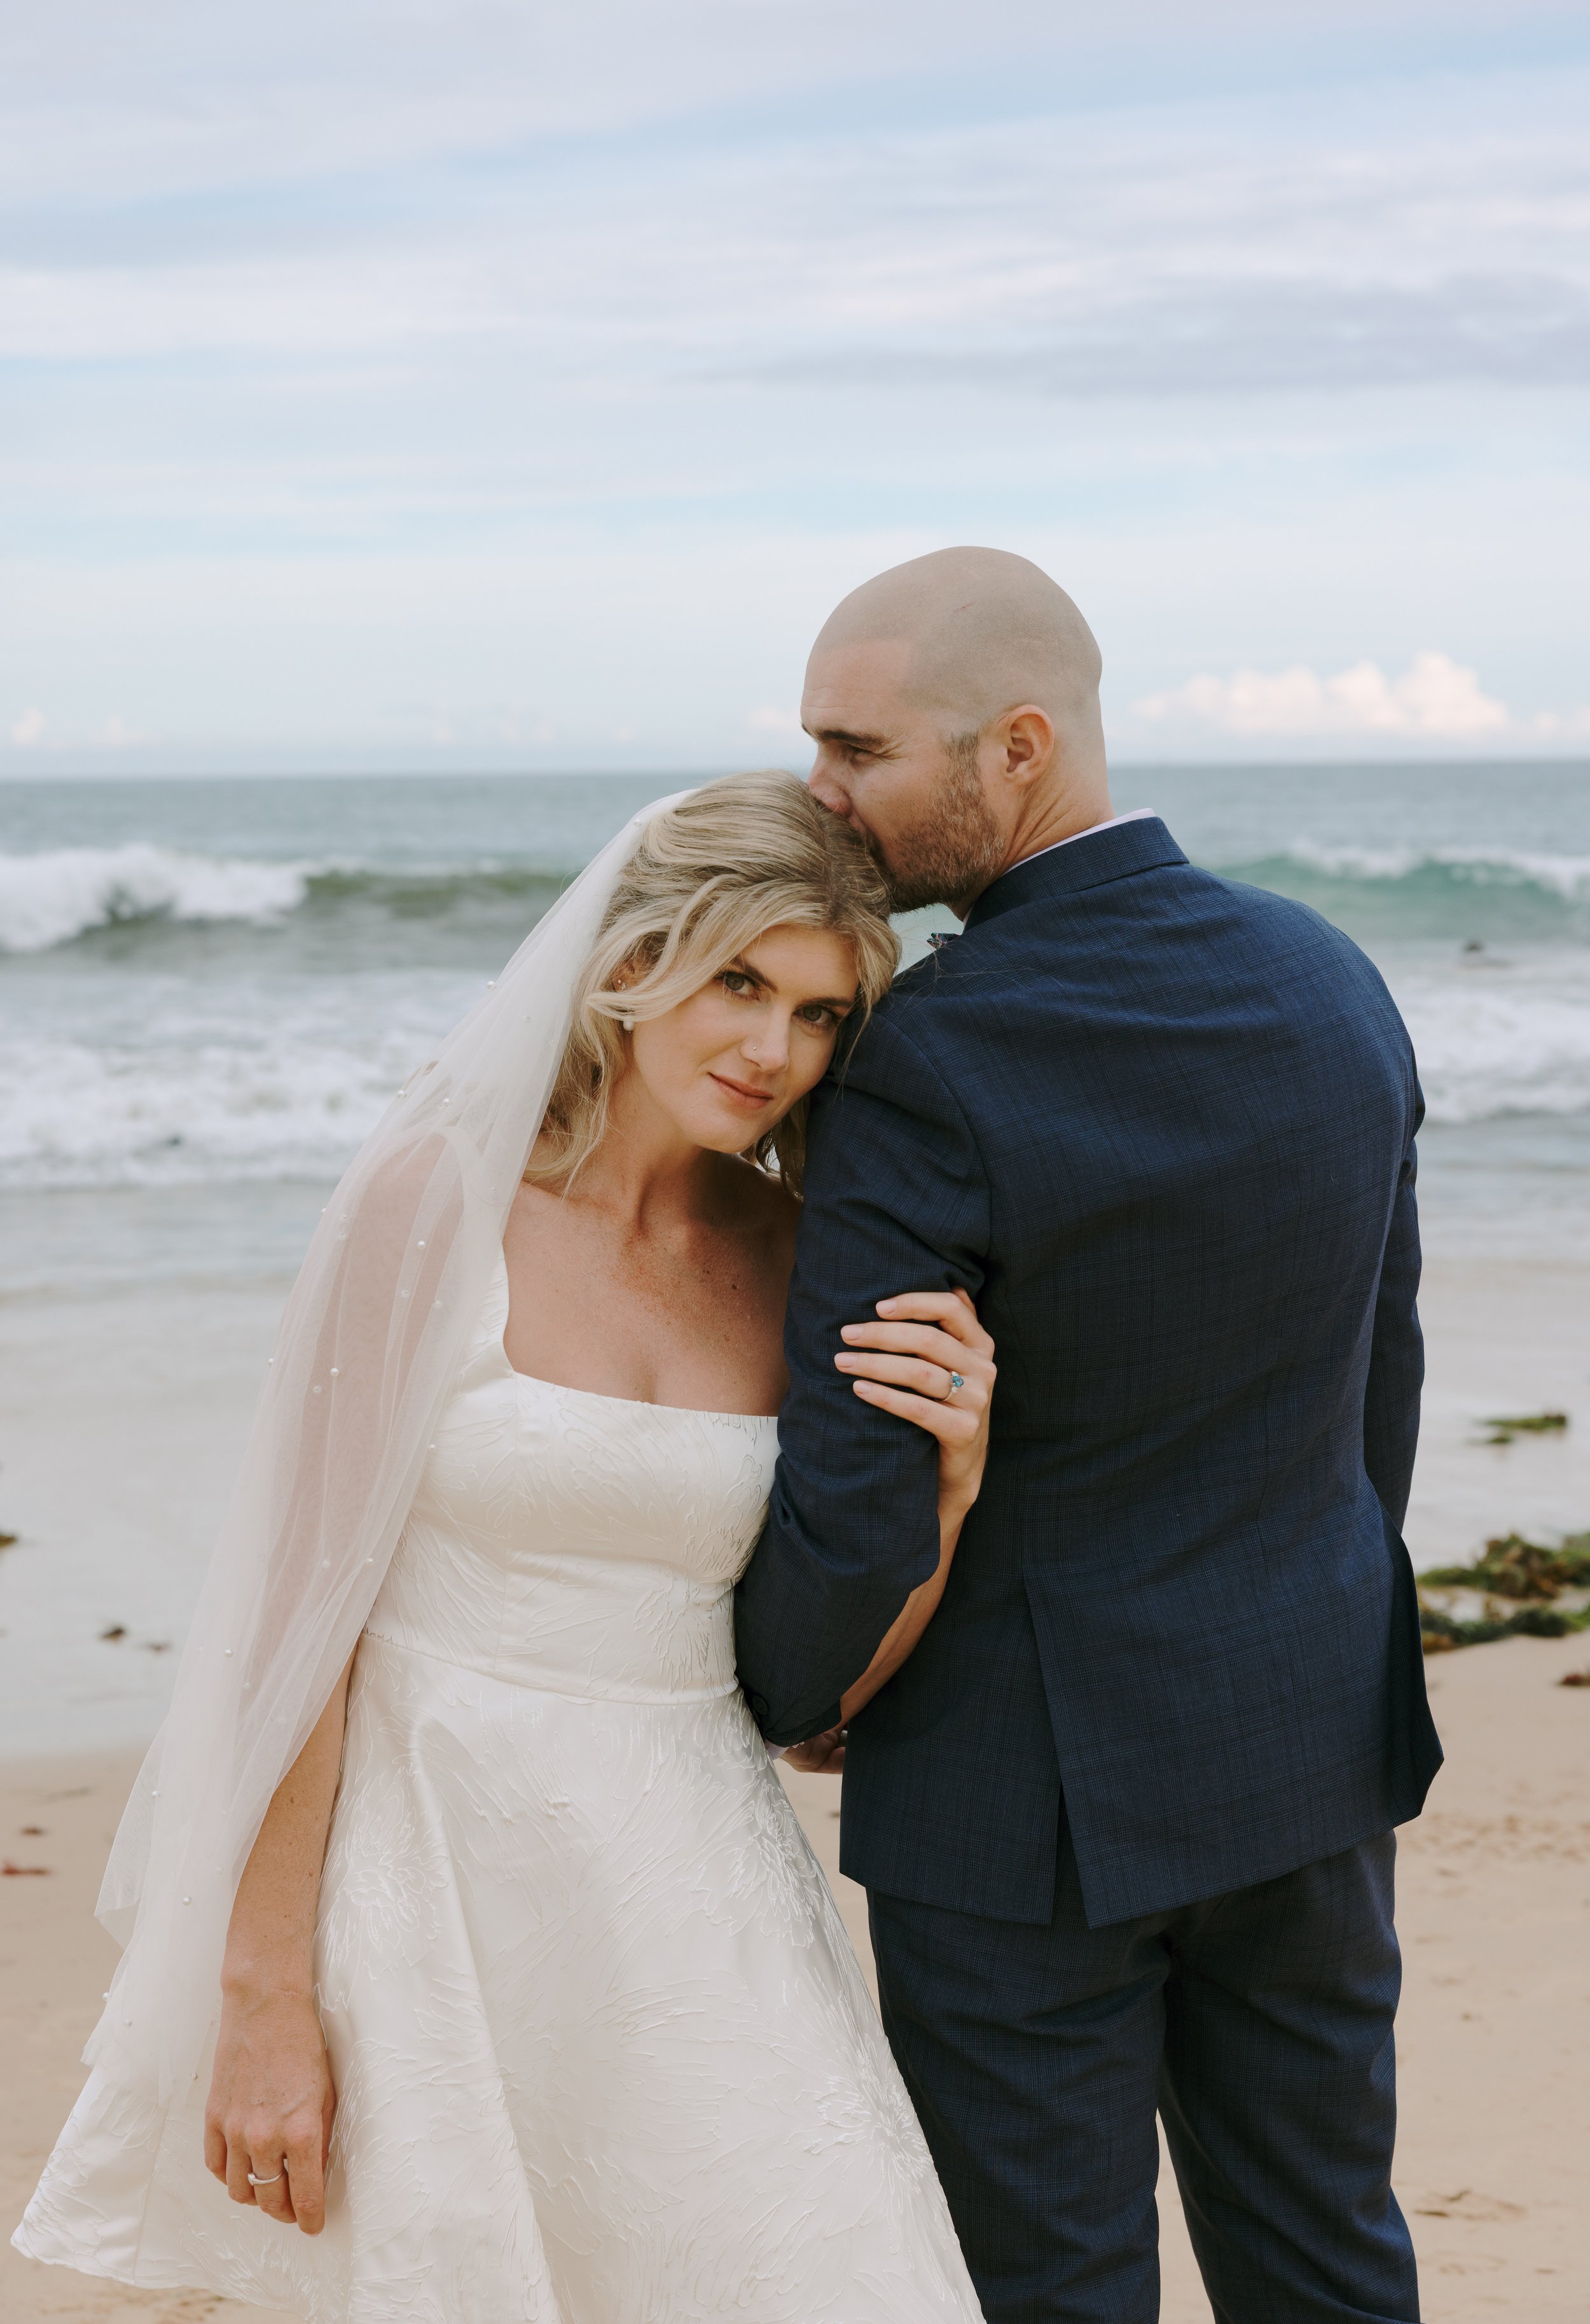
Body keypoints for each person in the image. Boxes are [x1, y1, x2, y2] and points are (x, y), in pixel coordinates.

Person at [15, 774, 995, 2323]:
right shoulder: (436, 1203)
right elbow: (298, 1619)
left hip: (693, 1879)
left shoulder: (799, 1255)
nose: (769, 1048)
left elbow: (814, 1701)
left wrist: (941, 1493)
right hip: (431, 1871)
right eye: (738, 980)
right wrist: (264, 1994)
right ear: (629, 962)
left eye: (816, 1013)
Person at [736, 548, 1444, 2324]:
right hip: (1303, 1748)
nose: (819, 792)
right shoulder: (1328, 978)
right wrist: (1311, 1607)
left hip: (1012, 1800)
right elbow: (1381, 1373)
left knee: (1047, 2290)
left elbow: (872, 1453)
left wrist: (796, 1686)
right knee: (1329, 2256)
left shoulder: (926, 1054)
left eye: (857, 748)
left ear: (1019, 746)